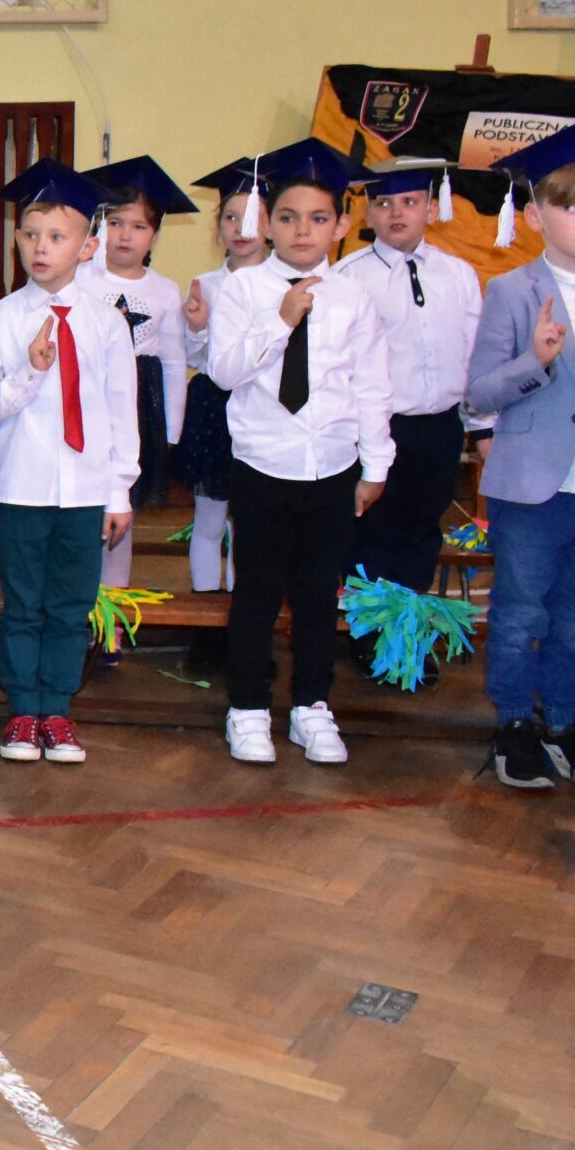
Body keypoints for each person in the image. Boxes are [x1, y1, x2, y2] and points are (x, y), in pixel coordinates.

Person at [205, 139, 392, 767]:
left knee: (317, 595)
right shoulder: (244, 290)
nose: (302, 231)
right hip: (263, 464)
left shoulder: (354, 296)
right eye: (287, 218)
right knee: (257, 591)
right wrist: (281, 321)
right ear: (266, 224)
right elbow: (224, 371)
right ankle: (248, 707)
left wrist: (375, 464)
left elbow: (371, 384)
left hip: (332, 466)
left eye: (317, 218)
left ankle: (312, 706)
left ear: (340, 225)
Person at [467, 123, 575, 791]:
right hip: (532, 487)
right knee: (519, 613)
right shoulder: (512, 291)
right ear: (537, 215)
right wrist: (534, 362)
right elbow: (479, 392)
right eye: (572, 206)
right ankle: (515, 721)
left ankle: (569, 721)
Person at [0, 160, 138, 765]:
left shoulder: (107, 322)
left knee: (69, 605)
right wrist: (29, 372)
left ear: (88, 246)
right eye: (31, 235)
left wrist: (119, 491)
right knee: (23, 604)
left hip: (86, 490)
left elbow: (121, 410)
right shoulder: (3, 317)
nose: (41, 248)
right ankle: (22, 710)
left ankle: (58, 711)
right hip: (21, 487)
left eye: (57, 236)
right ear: (17, 239)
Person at [330, 161, 486, 675]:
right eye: (383, 203)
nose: (396, 212)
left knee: (421, 531)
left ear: (432, 209)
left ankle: (407, 635)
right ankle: (371, 636)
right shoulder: (350, 276)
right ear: (366, 213)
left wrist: (479, 424)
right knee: (371, 533)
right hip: (375, 427)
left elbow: (473, 352)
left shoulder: (458, 274)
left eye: (410, 202)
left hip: (438, 425)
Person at [77, 158, 193, 609]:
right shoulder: (81, 278)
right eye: (115, 223)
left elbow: (173, 360)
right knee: (83, 509)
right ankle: (77, 604)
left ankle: (111, 614)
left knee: (121, 512)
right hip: (87, 397)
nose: (125, 235)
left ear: (154, 234)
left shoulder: (164, 290)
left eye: (139, 226)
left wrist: (171, 431)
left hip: (139, 405)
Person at [176, 163, 272, 605]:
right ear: (218, 226)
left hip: (265, 407)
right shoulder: (207, 284)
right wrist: (197, 327)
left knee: (249, 519)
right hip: (215, 407)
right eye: (231, 217)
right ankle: (205, 612)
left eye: (252, 218)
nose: (240, 228)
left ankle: (241, 608)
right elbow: (196, 359)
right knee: (210, 517)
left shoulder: (281, 283)